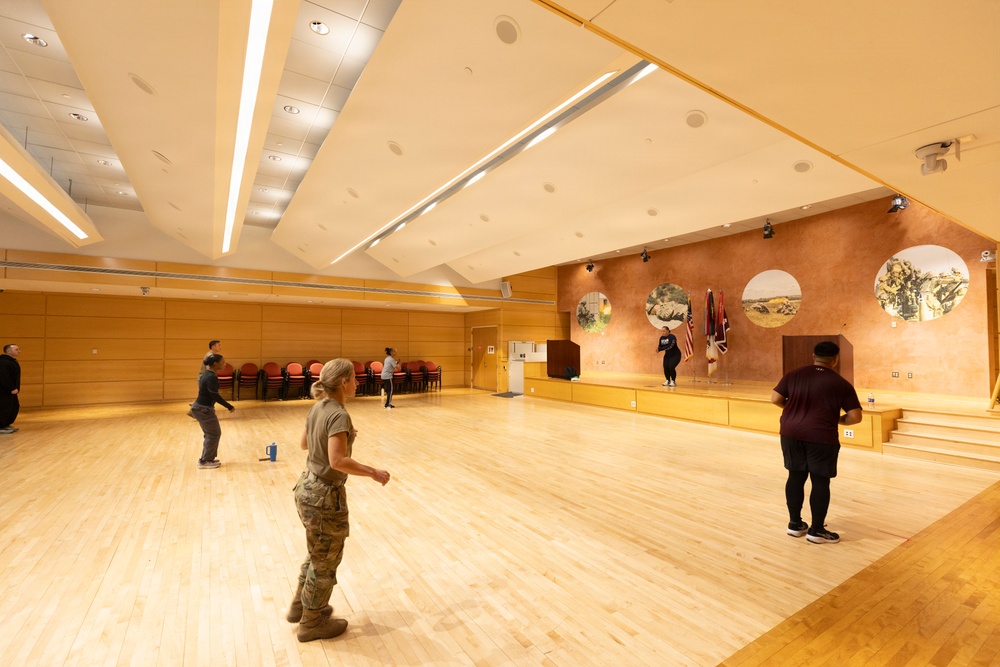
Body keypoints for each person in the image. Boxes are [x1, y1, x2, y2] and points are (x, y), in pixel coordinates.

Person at [288, 358, 390, 642]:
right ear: (343, 382)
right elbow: (337, 461)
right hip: (324, 497)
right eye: (354, 379)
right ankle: (311, 622)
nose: (357, 382)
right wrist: (373, 472)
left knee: (315, 552)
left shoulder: (318, 407)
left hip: (306, 488)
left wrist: (342, 436)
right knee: (326, 560)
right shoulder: (339, 414)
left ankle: (301, 605)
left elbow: (305, 444)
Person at [771, 341, 862, 544]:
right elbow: (855, 417)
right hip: (821, 437)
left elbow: (775, 399)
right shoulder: (841, 383)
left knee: (795, 476)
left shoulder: (793, 374)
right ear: (836, 360)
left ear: (813, 355)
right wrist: (836, 419)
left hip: (790, 433)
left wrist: (793, 410)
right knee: (820, 481)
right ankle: (816, 531)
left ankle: (795, 524)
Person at [190, 353, 235, 469]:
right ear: (215, 364)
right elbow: (214, 395)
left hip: (200, 408)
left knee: (211, 434)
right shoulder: (211, 377)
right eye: (223, 362)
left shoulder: (207, 374)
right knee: (214, 434)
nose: (224, 364)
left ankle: (207, 458)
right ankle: (205, 461)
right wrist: (229, 406)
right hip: (203, 409)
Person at [0, 344, 21, 434]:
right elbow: (3, 377)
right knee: (4, 408)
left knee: (14, 407)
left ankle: (6, 424)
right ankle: (0, 426)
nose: (19, 351)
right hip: (4, 391)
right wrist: (11, 388)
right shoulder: (3, 362)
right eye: (16, 349)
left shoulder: (11, 361)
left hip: (11, 391)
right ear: (8, 351)